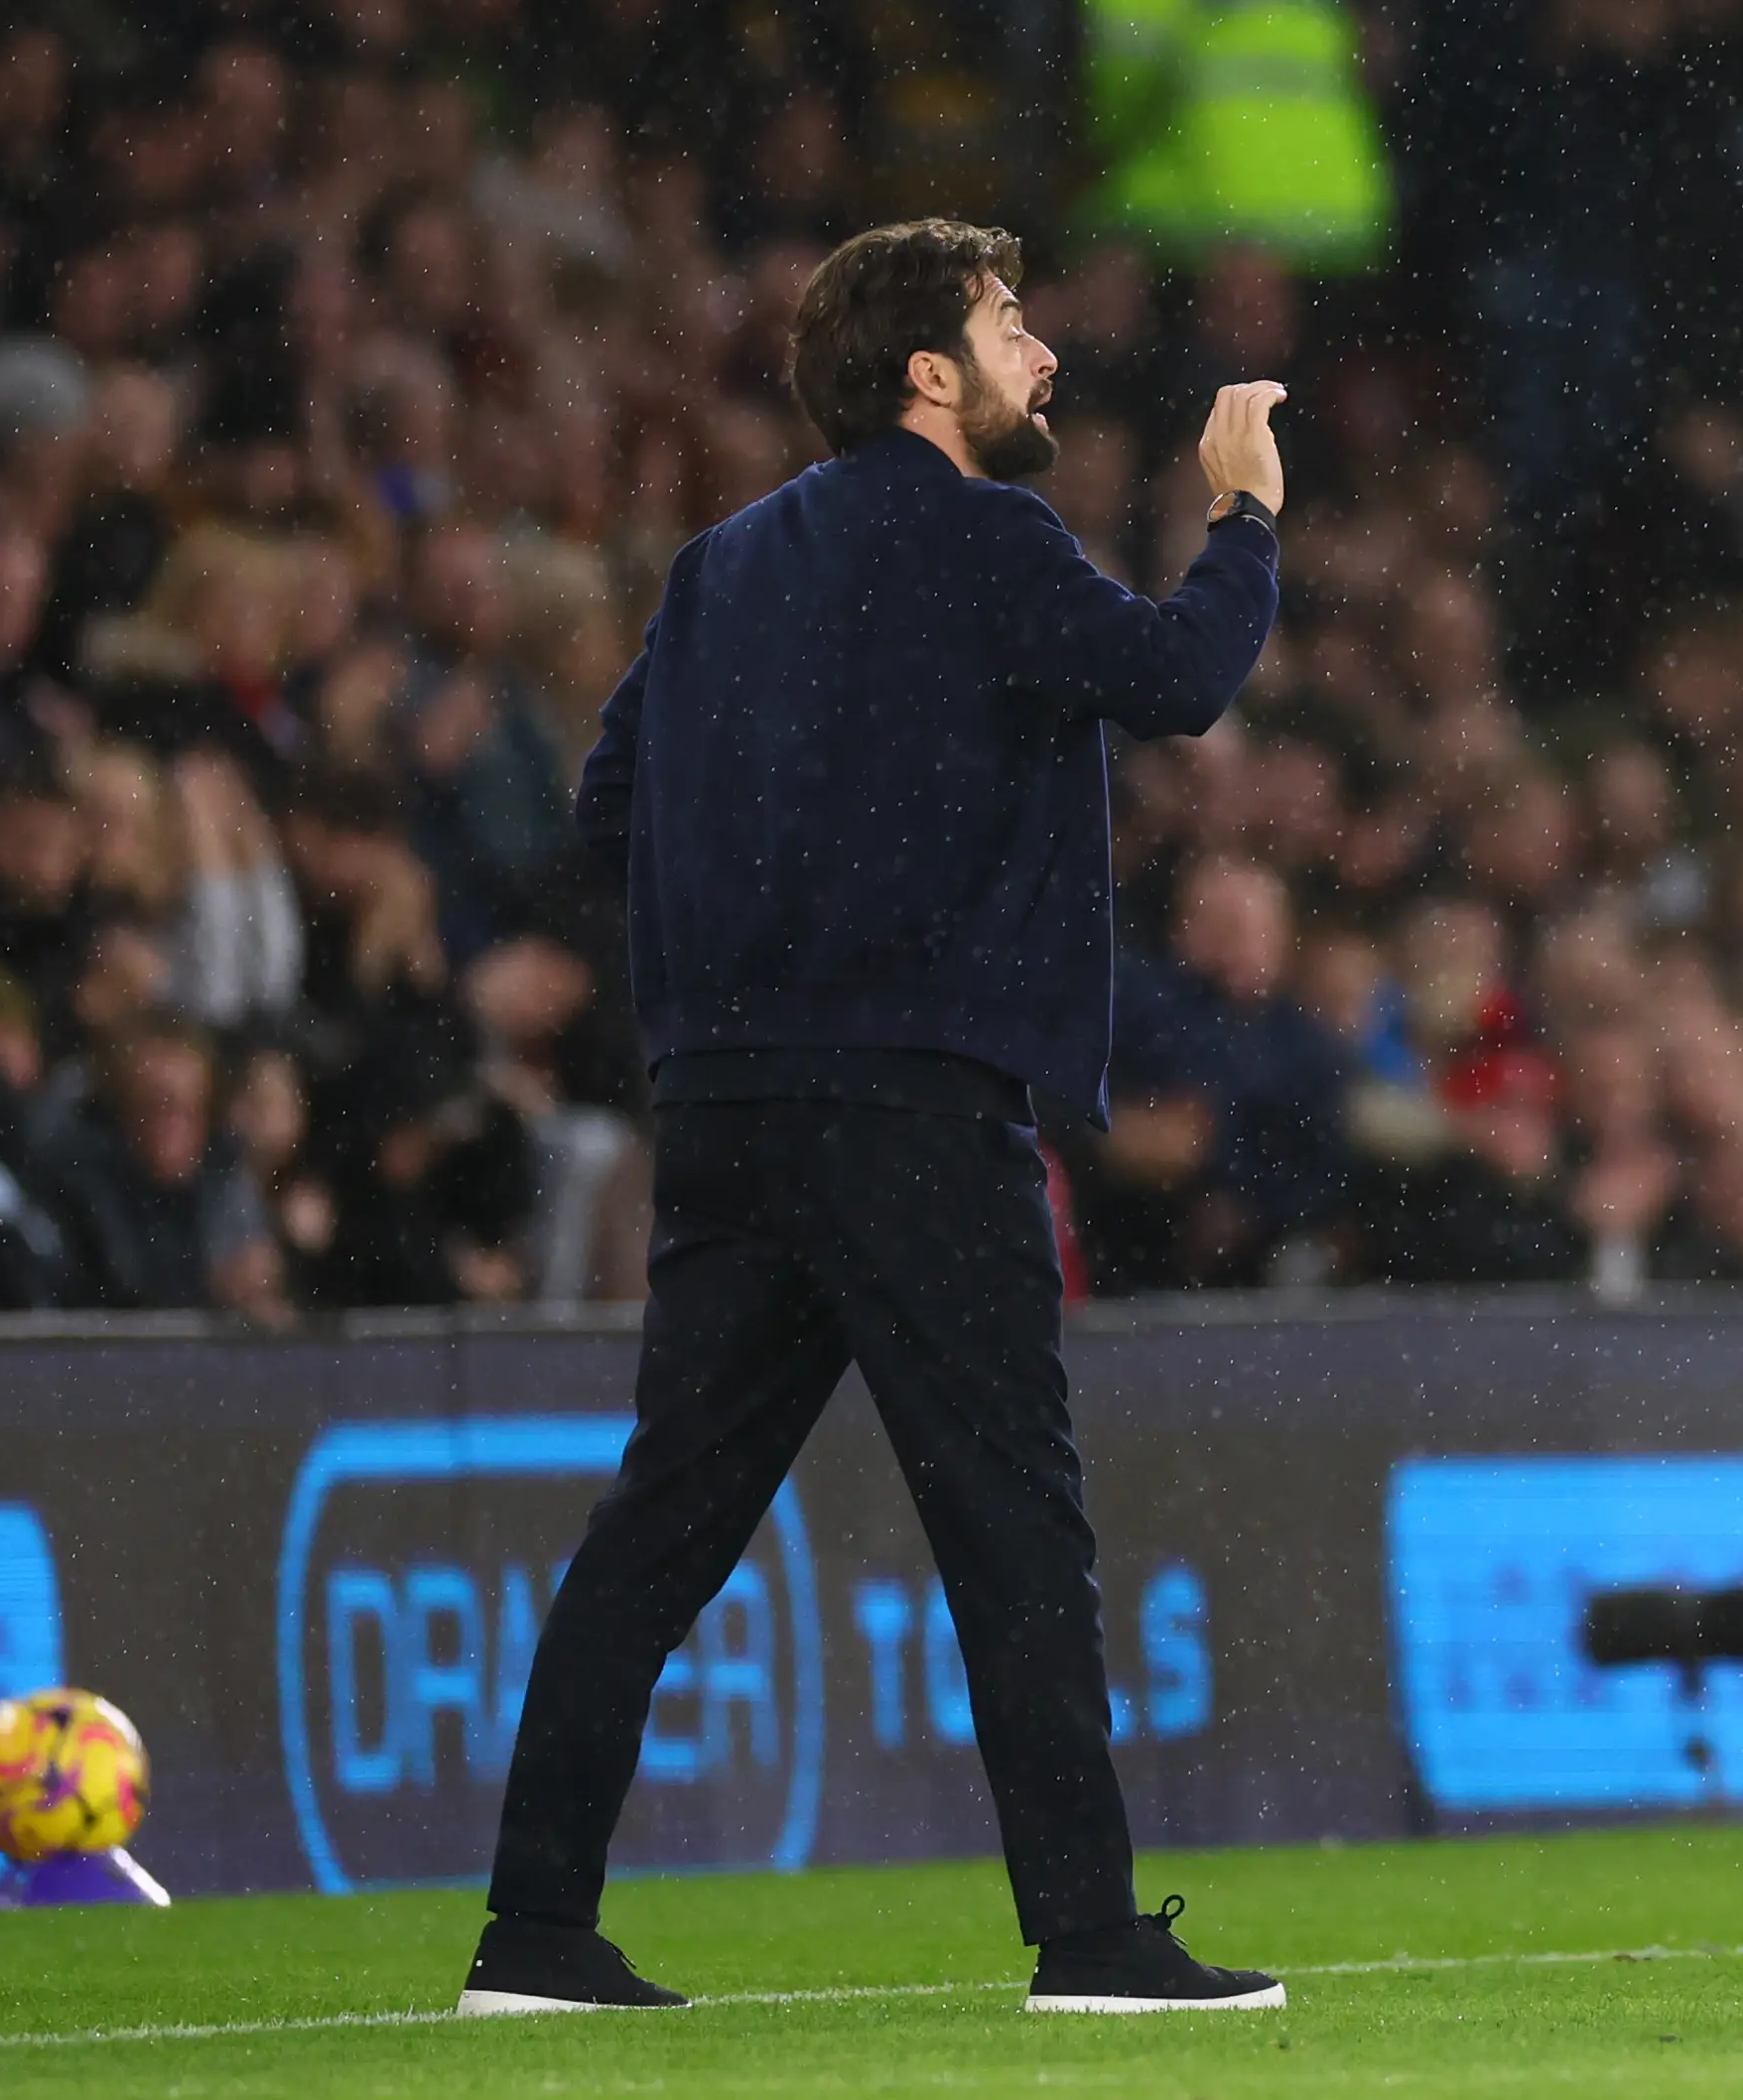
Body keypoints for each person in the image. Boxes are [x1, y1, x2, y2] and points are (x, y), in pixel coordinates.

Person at [460, 220, 1290, 2018]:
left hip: (725, 1103)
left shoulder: (721, 562)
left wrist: (761, 901)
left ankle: (531, 1934)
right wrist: (1240, 518)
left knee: (665, 1521)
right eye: (1008, 323)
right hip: (911, 1100)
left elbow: (607, 809)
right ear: (929, 374)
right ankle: (1087, 1937)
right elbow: (1177, 680)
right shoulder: (985, 533)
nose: (1041, 354)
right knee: (1012, 1522)